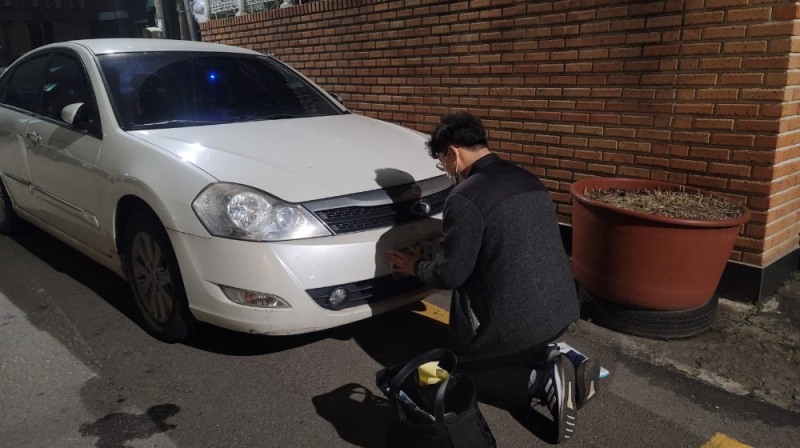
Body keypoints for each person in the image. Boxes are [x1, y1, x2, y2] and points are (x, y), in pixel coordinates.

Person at [387, 112, 598, 444]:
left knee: (455, 374)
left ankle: (539, 380)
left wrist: (414, 266)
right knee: (513, 329)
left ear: (453, 153)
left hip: (520, 322)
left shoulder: (465, 196)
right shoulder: (527, 178)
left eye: (443, 162)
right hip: (561, 308)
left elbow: (451, 274)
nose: (447, 170)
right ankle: (563, 357)